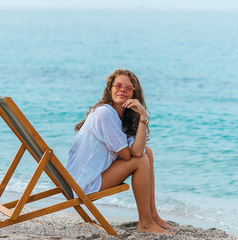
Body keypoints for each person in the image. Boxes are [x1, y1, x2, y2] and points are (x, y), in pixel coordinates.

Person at [66, 69, 174, 235]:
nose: (122, 89)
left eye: (128, 88)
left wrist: (143, 116)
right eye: (118, 85)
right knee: (141, 161)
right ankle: (145, 223)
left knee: (148, 153)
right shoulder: (105, 113)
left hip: (88, 177)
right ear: (110, 90)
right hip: (83, 183)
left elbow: (139, 150)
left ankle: (153, 216)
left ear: (134, 94)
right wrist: (142, 120)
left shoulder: (121, 119)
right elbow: (129, 156)